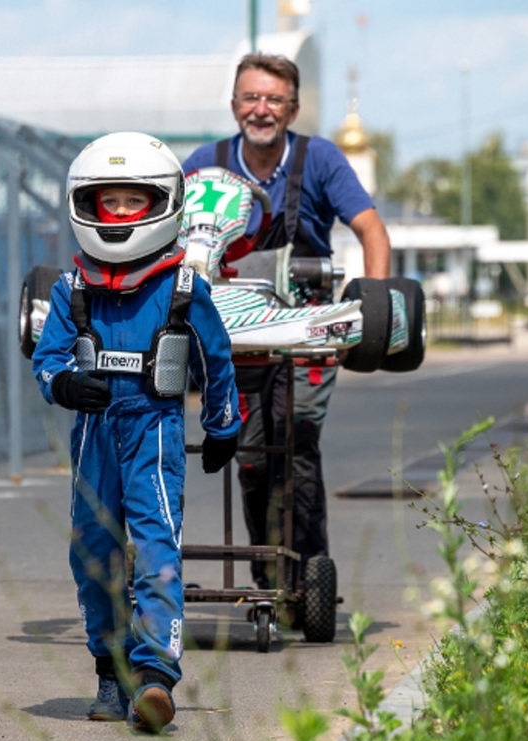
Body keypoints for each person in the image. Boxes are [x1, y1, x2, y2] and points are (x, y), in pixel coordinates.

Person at [32, 132, 240, 733]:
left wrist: (223, 425)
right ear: (87, 207)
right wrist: (66, 385)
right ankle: (110, 669)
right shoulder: (70, 290)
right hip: (95, 434)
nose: (120, 215)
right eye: (109, 204)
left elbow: (217, 361)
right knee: (92, 553)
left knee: (155, 552)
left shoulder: (181, 288)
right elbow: (47, 361)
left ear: (161, 205)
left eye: (133, 203)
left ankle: (154, 678)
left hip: (153, 430)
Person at [182, 52, 391, 588]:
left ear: (293, 109)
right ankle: (270, 572)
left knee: (296, 445)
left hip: (306, 331)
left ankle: (306, 577)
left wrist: (375, 307)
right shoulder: (205, 165)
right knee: (251, 455)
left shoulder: (319, 160)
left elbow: (371, 230)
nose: (262, 109)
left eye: (274, 99)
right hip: (237, 336)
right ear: (234, 106)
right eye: (251, 97)